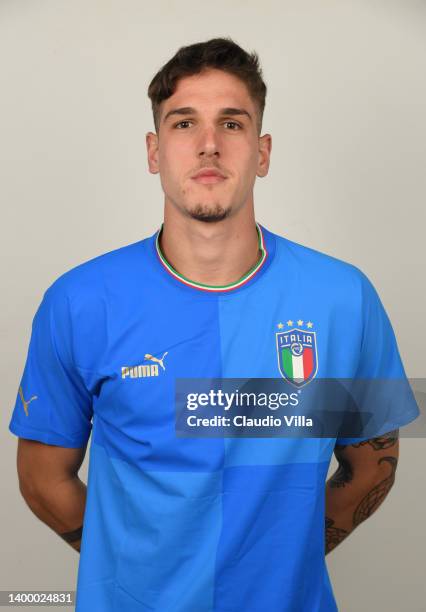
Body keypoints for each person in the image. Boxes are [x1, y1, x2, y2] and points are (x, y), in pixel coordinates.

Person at [9, 37, 419, 611]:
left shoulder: (343, 299)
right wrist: (140, 566)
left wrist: (278, 559)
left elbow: (373, 463)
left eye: (231, 124)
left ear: (263, 152)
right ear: (154, 152)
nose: (208, 146)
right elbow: (41, 477)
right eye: (183, 124)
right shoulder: (80, 302)